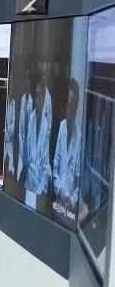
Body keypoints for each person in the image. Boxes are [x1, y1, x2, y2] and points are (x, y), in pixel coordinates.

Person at [22, 72, 53, 205]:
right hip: (29, 181)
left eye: (40, 95)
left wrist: (41, 190)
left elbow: (45, 163)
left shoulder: (47, 125)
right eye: (36, 95)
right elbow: (28, 153)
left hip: (41, 185)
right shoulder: (32, 118)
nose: (37, 100)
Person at [54, 80, 83, 216]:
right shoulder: (61, 127)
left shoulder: (79, 138)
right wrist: (59, 191)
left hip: (70, 208)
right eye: (68, 104)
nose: (69, 108)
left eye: (72, 104)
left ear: (76, 106)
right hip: (58, 202)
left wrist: (71, 201)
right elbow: (55, 169)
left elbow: (79, 185)